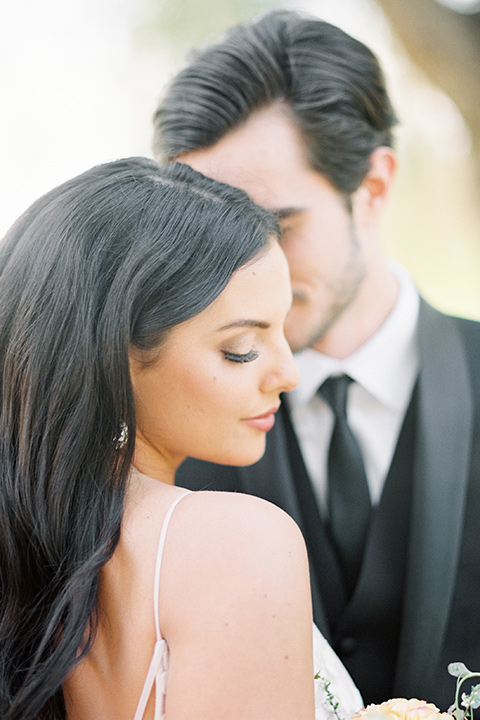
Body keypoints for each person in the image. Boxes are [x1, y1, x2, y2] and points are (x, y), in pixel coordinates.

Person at [153, 9, 480, 711]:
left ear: (375, 187)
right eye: (201, 238)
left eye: (274, 226)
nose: (230, 275)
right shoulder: (158, 437)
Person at [0, 157, 363, 719]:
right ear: (114, 360)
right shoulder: (237, 543)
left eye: (283, 332)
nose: (288, 374)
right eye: (240, 349)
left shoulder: (34, 546)